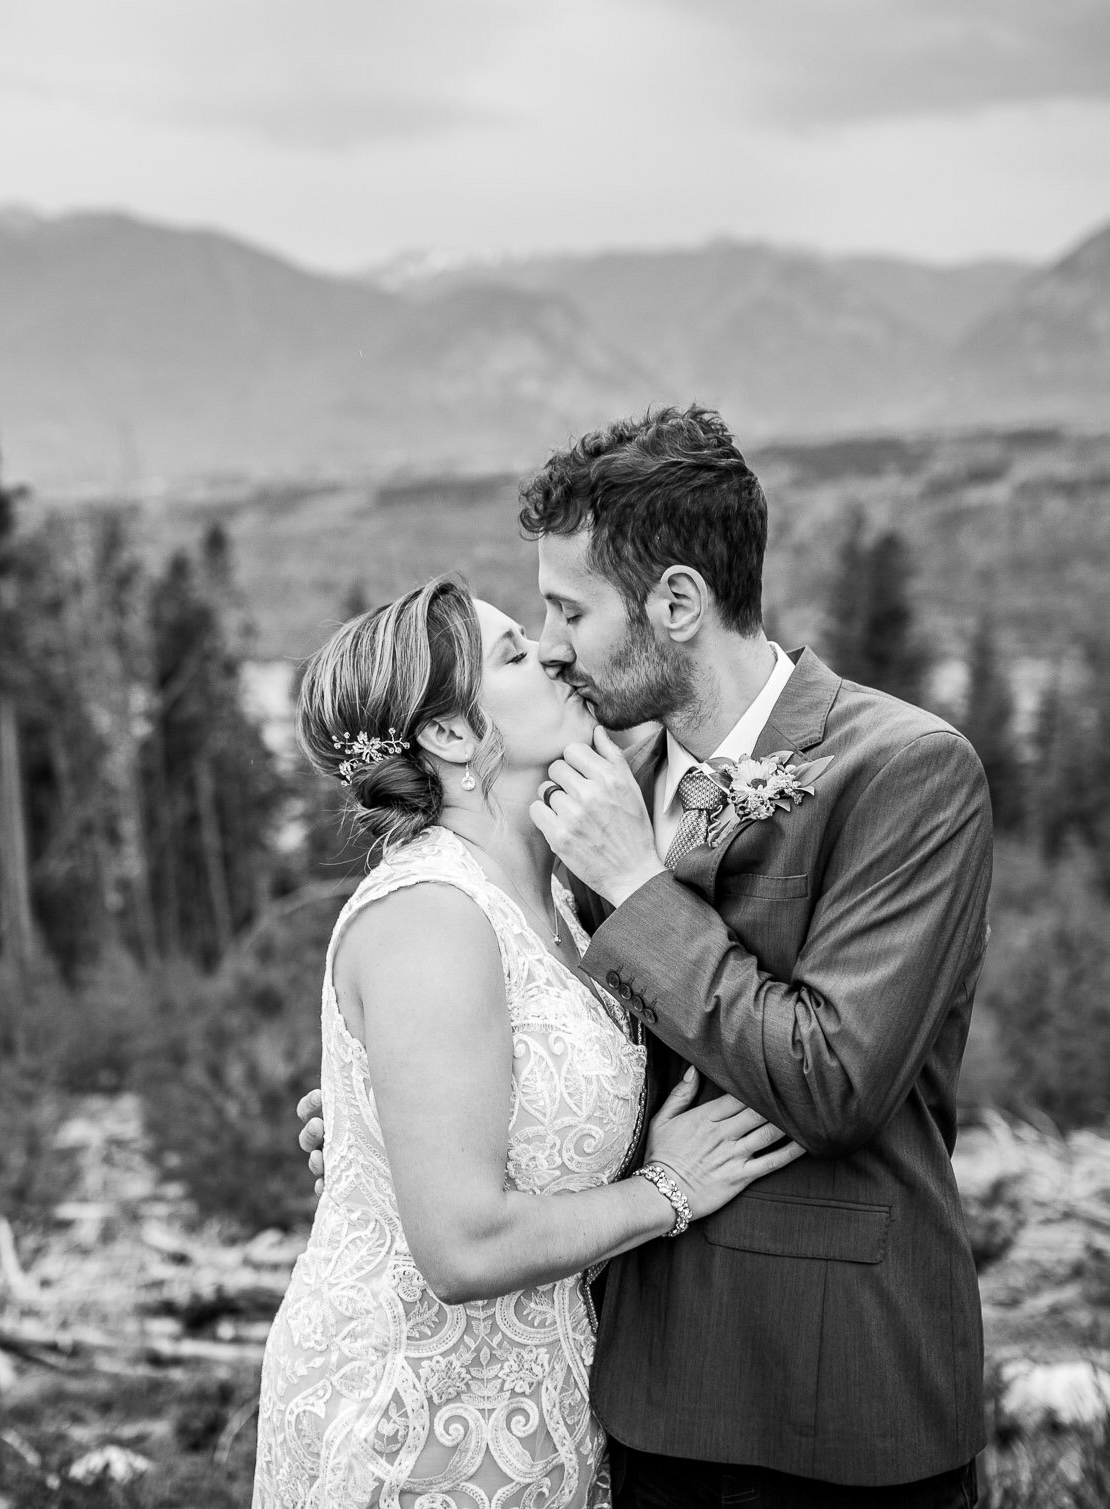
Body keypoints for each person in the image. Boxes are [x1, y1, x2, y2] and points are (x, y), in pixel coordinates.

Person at [298, 406, 996, 1507]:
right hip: (629, 1393)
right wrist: (404, 1112)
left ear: (675, 601)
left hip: (836, 1392)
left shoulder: (902, 770)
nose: (557, 645)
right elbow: (519, 1012)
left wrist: (637, 888)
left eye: (567, 611)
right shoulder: (574, 781)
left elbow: (837, 1080)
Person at [252, 573, 803, 1509]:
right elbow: (461, 1246)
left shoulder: (557, 909)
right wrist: (666, 1189)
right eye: (513, 652)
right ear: (453, 735)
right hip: (417, 1419)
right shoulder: (431, 914)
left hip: (543, 1404)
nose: (552, 653)